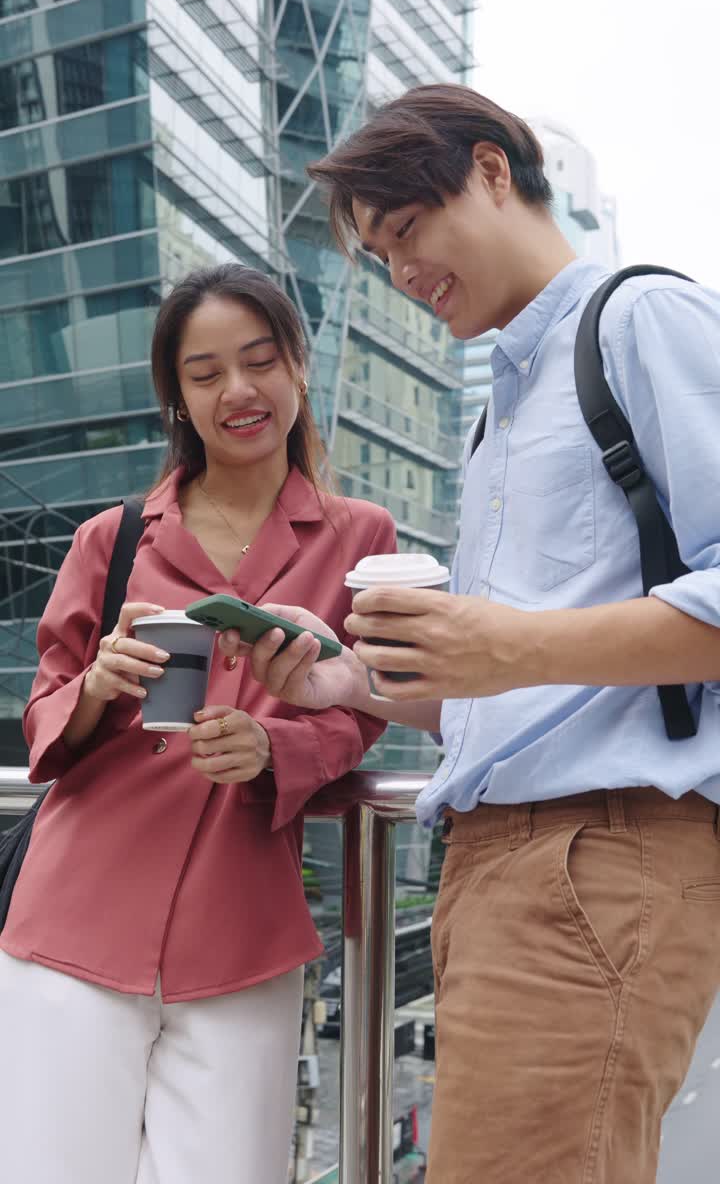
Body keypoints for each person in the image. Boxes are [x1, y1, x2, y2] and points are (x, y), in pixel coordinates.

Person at [222, 86, 720, 1184]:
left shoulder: (642, 319)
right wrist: (346, 682)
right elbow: (512, 689)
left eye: (406, 232)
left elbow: (529, 657)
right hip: (508, 860)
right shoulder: (506, 404)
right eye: (379, 254)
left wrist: (512, 645)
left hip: (596, 851)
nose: (401, 274)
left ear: (493, 170)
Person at [0, 264, 396, 1184]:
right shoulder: (116, 535)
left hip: (243, 930)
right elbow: (43, 714)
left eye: (260, 361)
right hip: (72, 919)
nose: (239, 391)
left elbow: (366, 709)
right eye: (206, 372)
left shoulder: (360, 537)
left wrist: (274, 748)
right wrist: (99, 681)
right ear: (178, 396)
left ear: (299, 368)